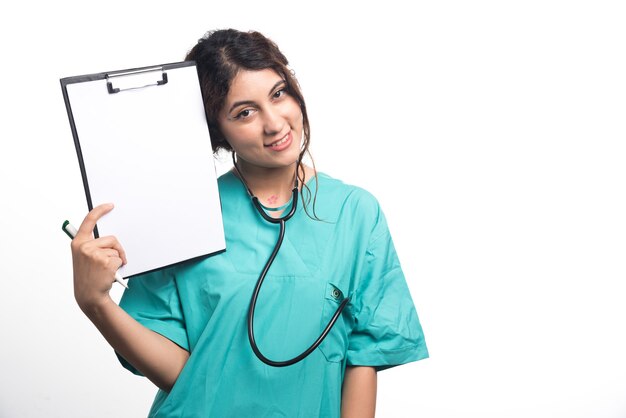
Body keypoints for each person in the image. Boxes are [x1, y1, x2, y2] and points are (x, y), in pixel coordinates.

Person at [70, 28, 428, 418]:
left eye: (278, 94)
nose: (274, 123)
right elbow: (185, 374)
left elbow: (365, 355)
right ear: (216, 131)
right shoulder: (180, 214)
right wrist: (95, 303)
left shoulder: (356, 212)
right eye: (245, 112)